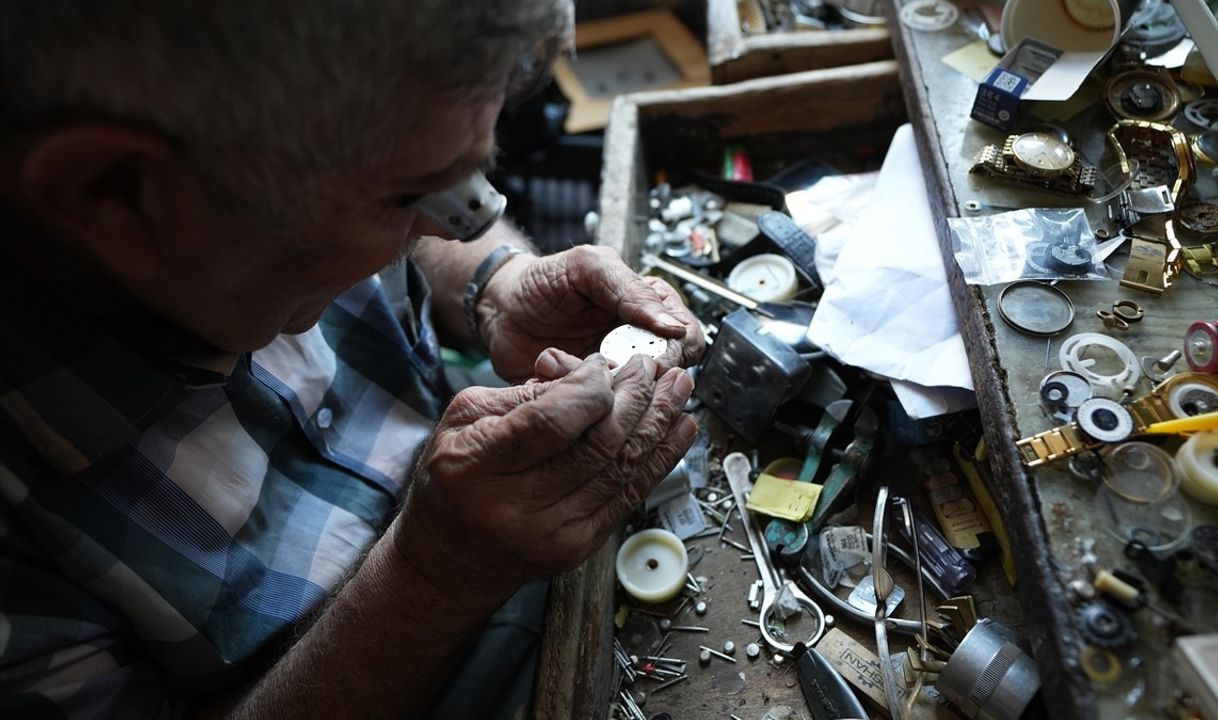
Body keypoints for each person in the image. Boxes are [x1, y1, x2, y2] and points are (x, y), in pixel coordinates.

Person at [0, 2, 705, 717]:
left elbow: (406, 180)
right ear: (113, 194)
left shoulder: (240, 174)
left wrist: (495, 285)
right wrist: (433, 581)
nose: (469, 212)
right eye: (405, 195)